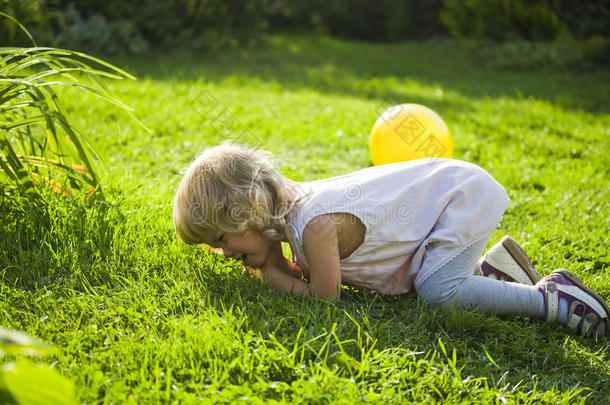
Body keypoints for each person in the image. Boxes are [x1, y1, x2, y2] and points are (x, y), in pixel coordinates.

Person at [172, 142, 609, 338]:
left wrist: (272, 275)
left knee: (438, 293)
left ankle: (553, 298)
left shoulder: (314, 225)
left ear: (249, 209)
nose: (225, 253)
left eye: (223, 239)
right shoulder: (293, 217)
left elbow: (325, 297)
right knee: (434, 278)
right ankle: (497, 274)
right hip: (437, 212)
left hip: (456, 198)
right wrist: (277, 262)